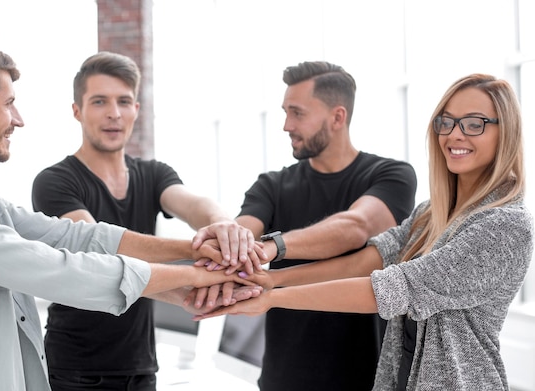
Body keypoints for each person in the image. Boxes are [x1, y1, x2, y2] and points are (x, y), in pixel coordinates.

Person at [0, 39, 262, 391]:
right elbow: (61, 269)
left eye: (124, 102)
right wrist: (198, 279)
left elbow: (77, 238)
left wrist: (197, 248)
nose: (18, 120)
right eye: (9, 104)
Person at [196, 73, 534, 391]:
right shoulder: (431, 214)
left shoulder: (504, 226)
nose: (454, 134)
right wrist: (273, 279)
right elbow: (369, 260)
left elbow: (390, 288)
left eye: (474, 124)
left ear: (505, 132)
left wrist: (272, 298)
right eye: (446, 122)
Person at [31, 51, 265, 391]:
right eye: (99, 101)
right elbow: (102, 259)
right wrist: (191, 282)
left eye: (124, 101)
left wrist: (224, 225)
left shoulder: (154, 174)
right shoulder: (55, 182)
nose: (114, 113)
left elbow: (192, 204)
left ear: (136, 111)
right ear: (77, 111)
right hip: (73, 370)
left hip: (140, 369)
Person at [192, 61, 417, 391]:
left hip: (367, 376)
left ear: (337, 117)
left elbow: (355, 226)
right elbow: (243, 234)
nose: (286, 125)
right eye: (285, 112)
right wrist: (230, 237)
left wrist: (273, 247)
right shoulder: (271, 185)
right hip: (284, 377)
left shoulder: (391, 176)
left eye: (297, 113)